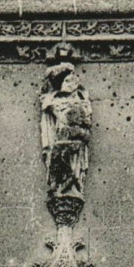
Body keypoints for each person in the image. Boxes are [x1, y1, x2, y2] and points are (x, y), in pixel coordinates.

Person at [40, 63, 92, 203]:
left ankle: (74, 183)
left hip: (75, 137)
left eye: (73, 81)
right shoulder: (55, 100)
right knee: (61, 157)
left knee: (74, 161)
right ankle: (60, 185)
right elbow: (57, 116)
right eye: (67, 81)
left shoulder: (81, 99)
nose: (70, 84)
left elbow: (86, 120)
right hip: (60, 134)